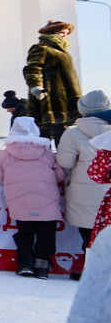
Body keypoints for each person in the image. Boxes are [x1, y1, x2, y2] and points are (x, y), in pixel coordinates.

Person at [0, 117, 66, 279]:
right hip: (46, 199)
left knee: (24, 232)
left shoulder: (5, 154)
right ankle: (42, 266)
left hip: (18, 199)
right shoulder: (47, 153)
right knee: (46, 233)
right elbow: (60, 175)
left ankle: (25, 264)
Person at [56, 90, 111, 280]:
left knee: (89, 235)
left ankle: (92, 273)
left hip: (84, 192)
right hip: (109, 192)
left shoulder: (73, 134)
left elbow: (65, 162)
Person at [23, 20, 81, 145]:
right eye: (62, 33)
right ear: (51, 33)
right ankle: (47, 163)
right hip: (49, 102)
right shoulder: (41, 48)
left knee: (62, 138)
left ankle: (58, 162)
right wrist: (36, 86)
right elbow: (32, 68)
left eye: (67, 33)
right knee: (49, 138)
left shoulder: (63, 52)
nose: (65, 36)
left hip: (64, 102)